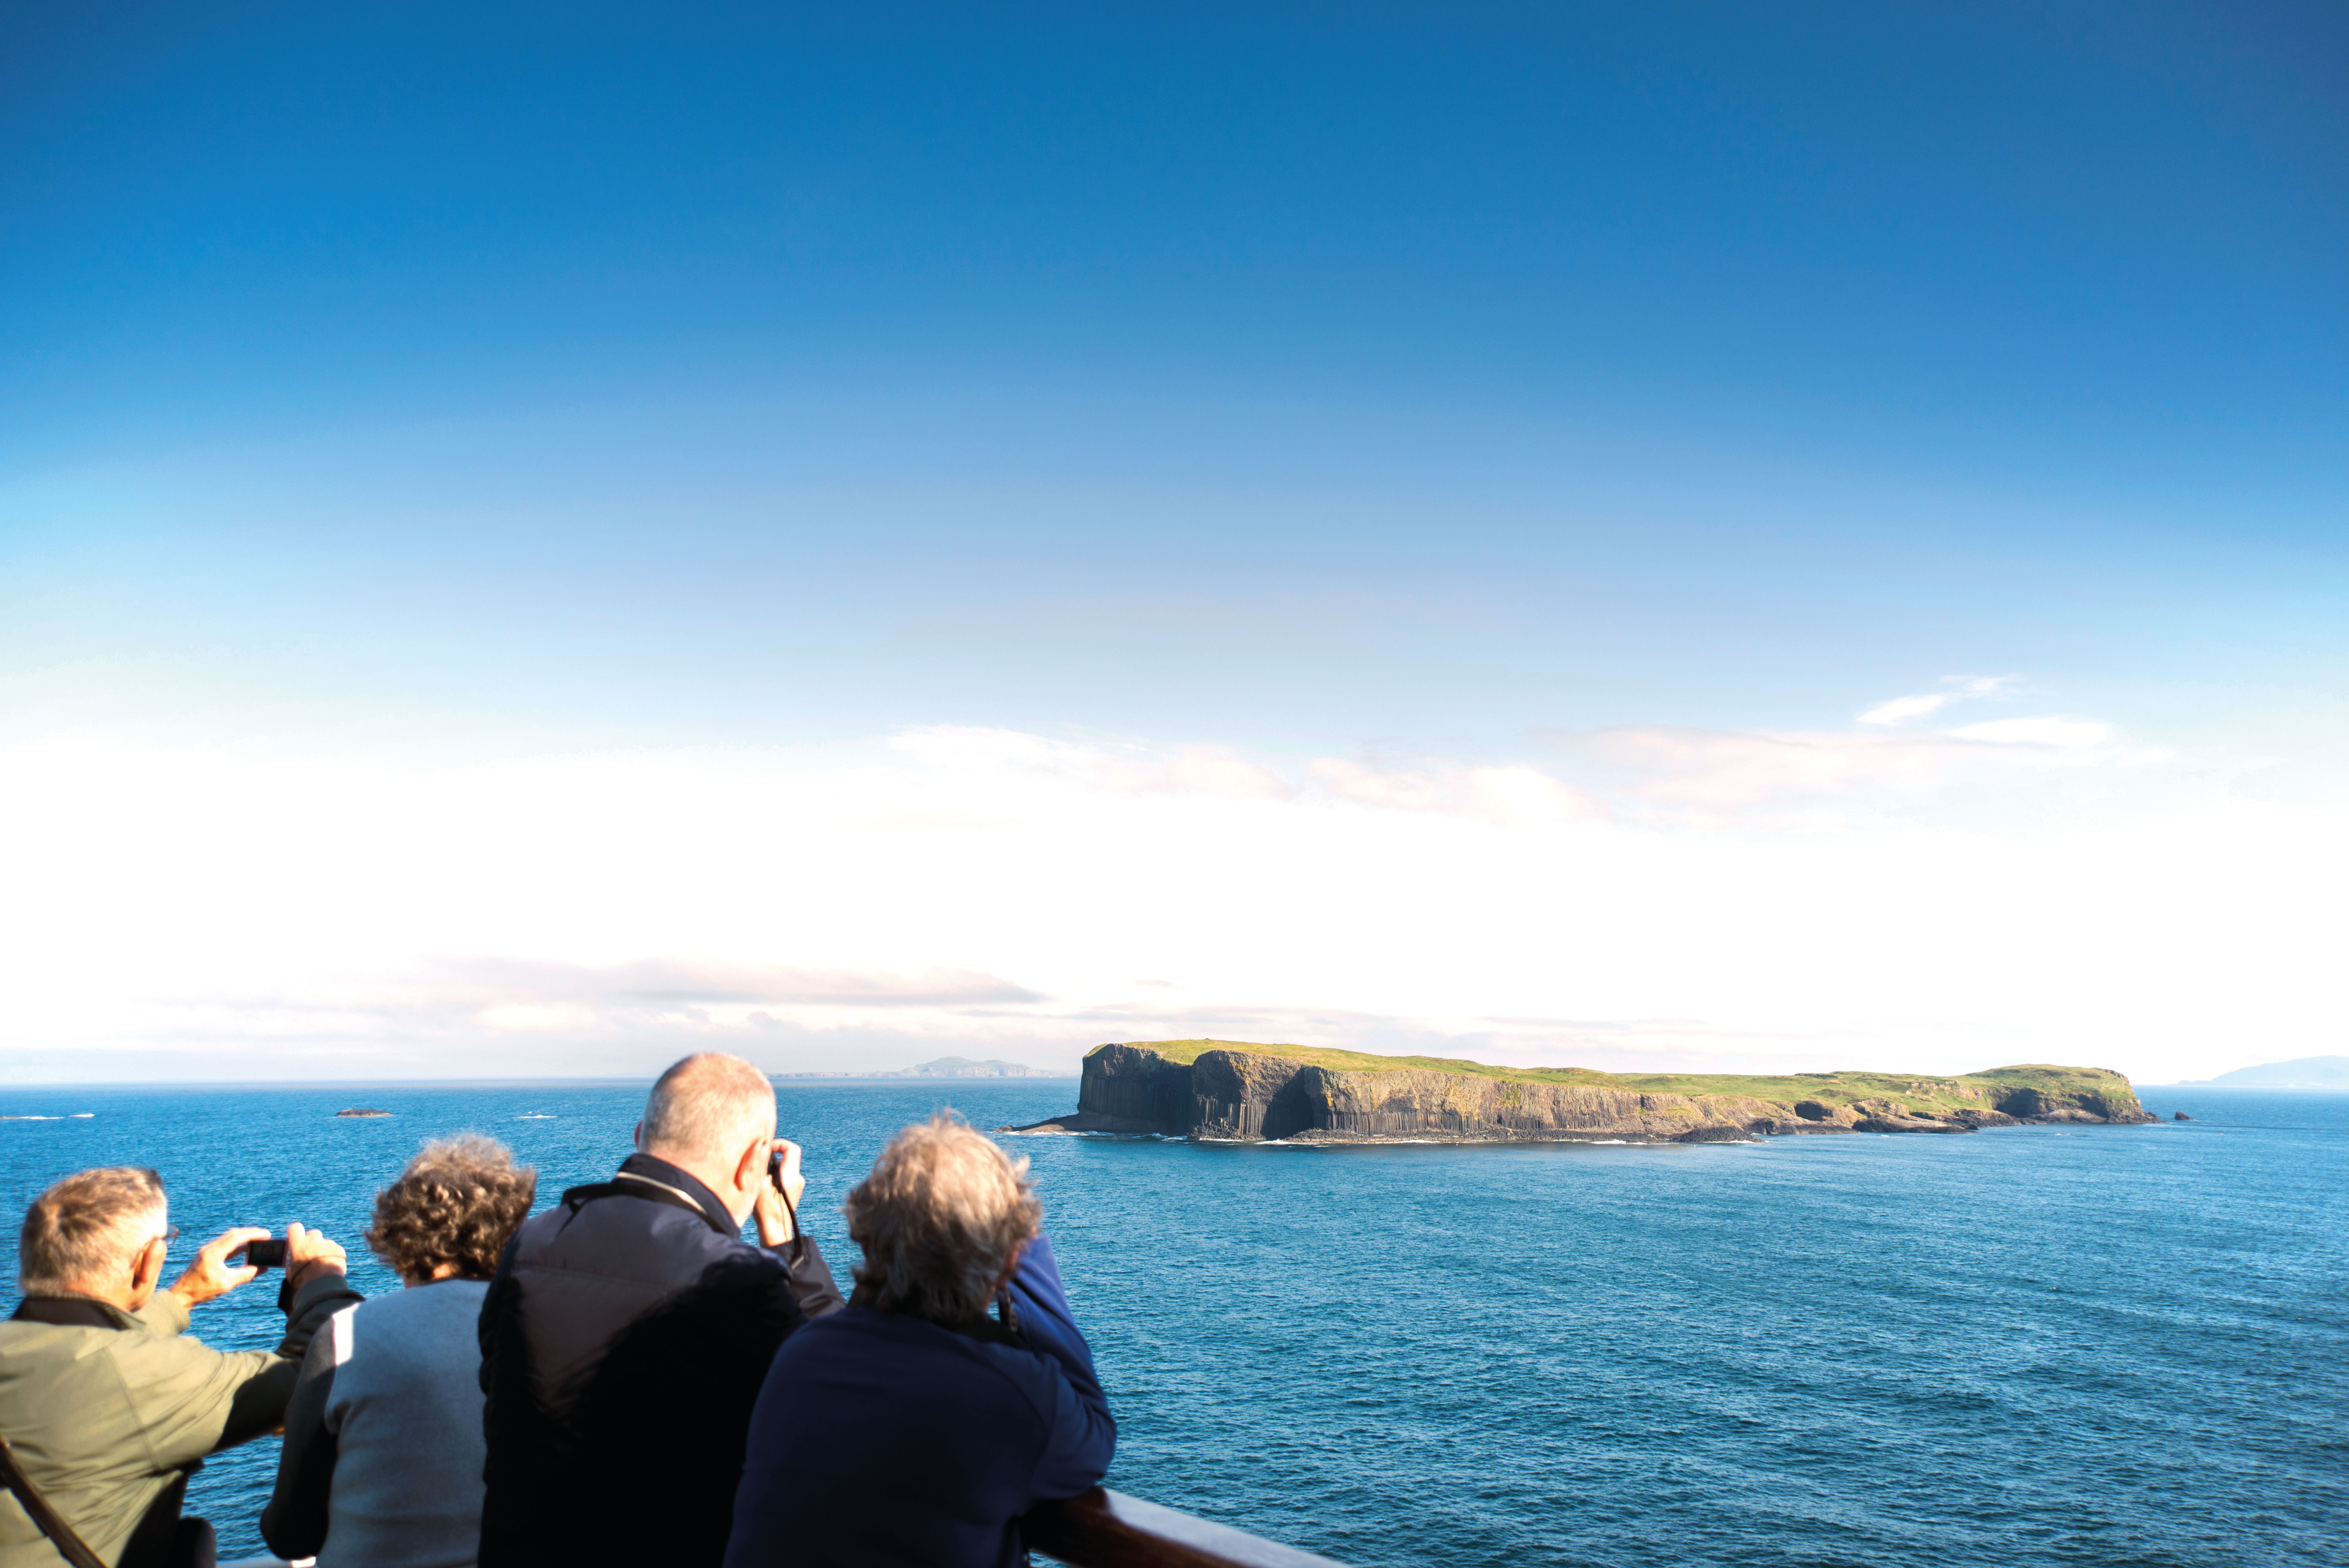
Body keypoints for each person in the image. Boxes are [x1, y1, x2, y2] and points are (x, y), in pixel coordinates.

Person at [475, 1053, 844, 1568]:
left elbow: (495, 1389)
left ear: (639, 1136)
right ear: (754, 1162)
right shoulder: (741, 1282)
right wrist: (785, 1240)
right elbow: (837, 1407)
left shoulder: (531, 1244)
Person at [724, 1113, 1116, 1568]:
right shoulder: (1013, 1396)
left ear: (865, 1232)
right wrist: (1024, 1245)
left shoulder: (800, 1358)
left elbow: (859, 1336)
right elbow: (1094, 1436)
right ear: (1008, 1258)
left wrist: (784, 1238)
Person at [0, 1167, 358, 1568]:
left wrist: (180, 1297)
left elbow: (82, 1347)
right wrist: (322, 1279)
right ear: (148, 1260)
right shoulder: (139, 1377)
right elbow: (305, 1376)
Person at [259, 1136, 537, 1568]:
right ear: (511, 1232)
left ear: (400, 1236)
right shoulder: (547, 1328)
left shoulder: (347, 1333)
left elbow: (291, 1534)